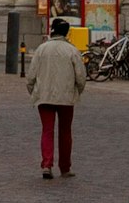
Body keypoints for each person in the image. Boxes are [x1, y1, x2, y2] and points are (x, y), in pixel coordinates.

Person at [25, 17, 86, 180]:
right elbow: (81, 77)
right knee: (65, 131)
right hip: (66, 96)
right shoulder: (72, 50)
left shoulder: (41, 49)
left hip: (44, 96)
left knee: (47, 130)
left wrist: (33, 92)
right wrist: (77, 91)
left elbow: (31, 76)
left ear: (52, 31)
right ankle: (65, 167)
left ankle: (47, 164)